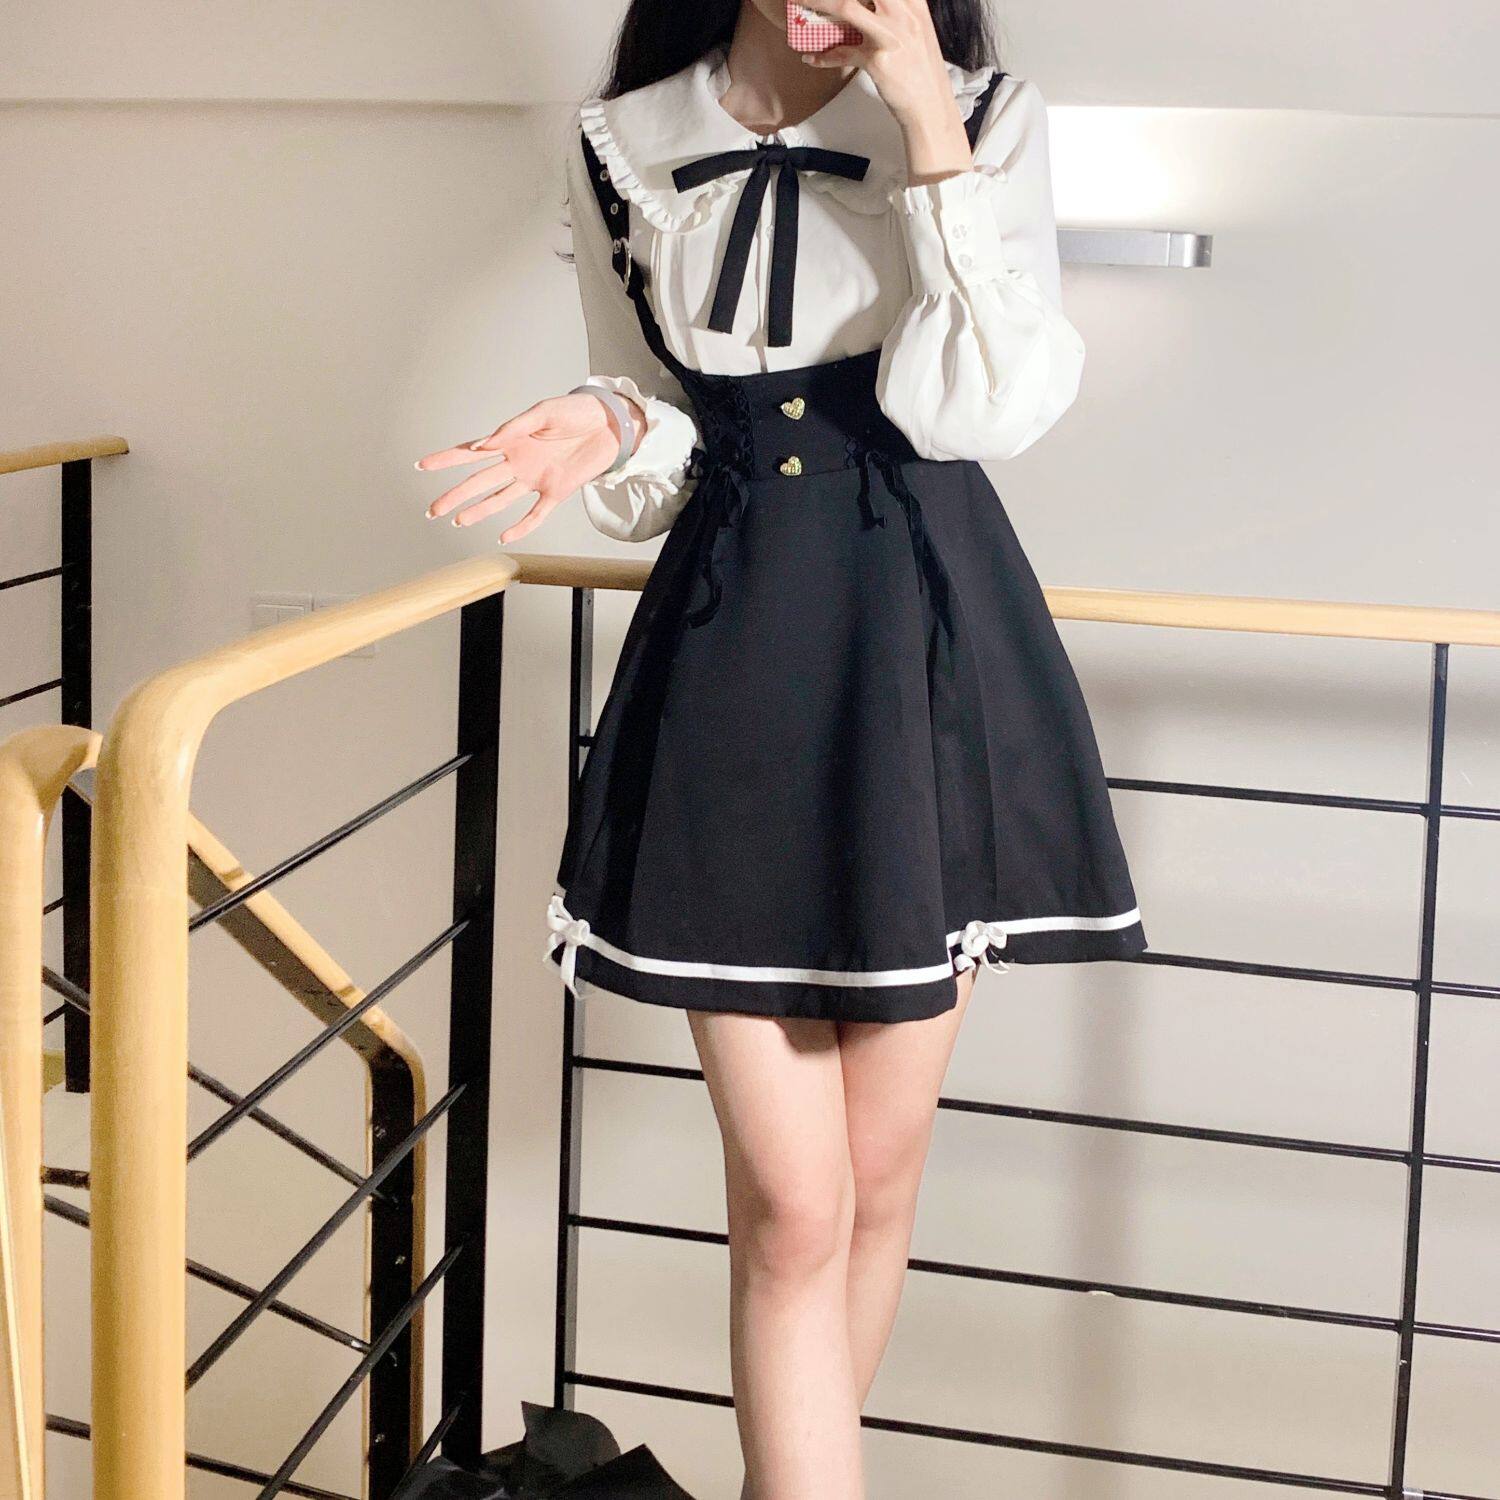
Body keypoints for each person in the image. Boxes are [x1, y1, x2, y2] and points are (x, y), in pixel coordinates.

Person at [417, 2, 1147, 1494]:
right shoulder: (628, 139)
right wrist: (609, 424)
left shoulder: (983, 113)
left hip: (929, 645)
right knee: (797, 1205)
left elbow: (985, 404)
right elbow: (665, 411)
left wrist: (926, 120)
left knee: (875, 1184)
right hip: (738, 648)